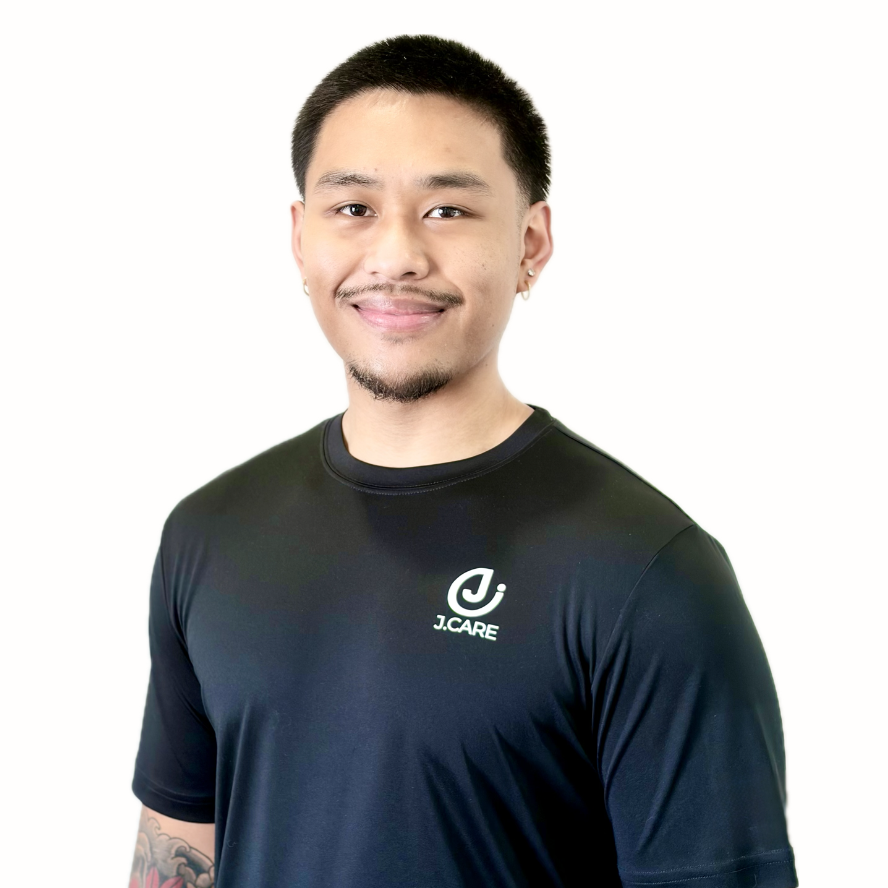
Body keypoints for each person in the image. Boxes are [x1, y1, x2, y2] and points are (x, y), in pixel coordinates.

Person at [129, 34, 798, 888]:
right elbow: (178, 852)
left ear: (531, 243)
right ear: (300, 239)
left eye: (447, 210)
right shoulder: (209, 533)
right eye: (353, 208)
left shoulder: (646, 574)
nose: (396, 256)